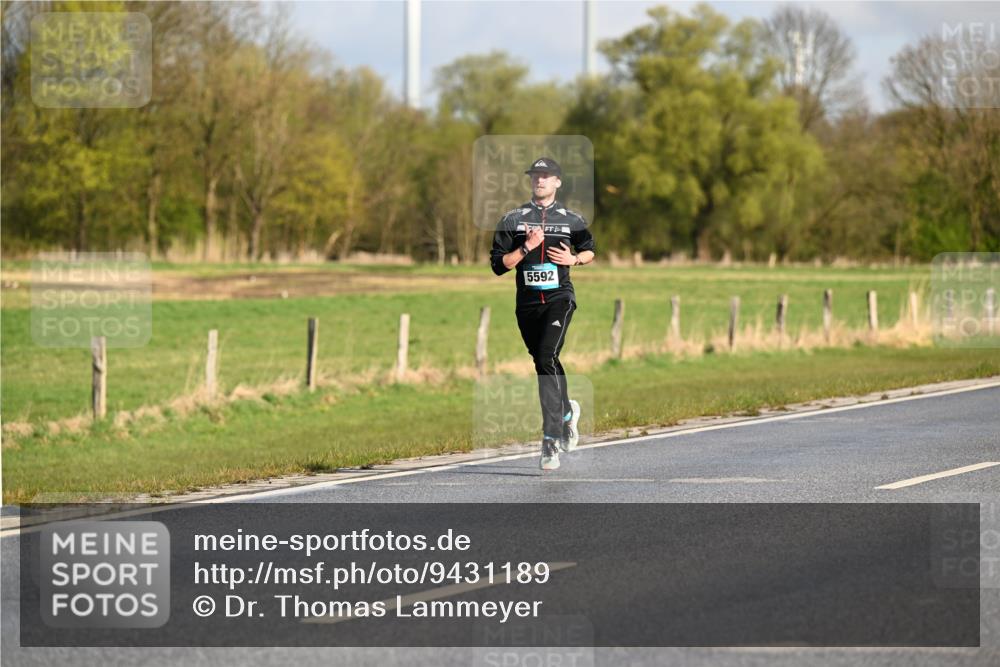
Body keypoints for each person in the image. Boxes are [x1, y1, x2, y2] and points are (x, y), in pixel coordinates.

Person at [490, 157, 596, 470]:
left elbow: (590, 249)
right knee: (543, 360)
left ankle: (550, 440)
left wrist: (575, 259)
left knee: (546, 356)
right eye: (536, 176)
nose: (540, 180)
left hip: (559, 299)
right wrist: (525, 248)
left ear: (557, 182)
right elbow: (498, 265)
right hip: (527, 305)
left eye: (546, 176)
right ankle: (566, 414)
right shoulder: (513, 219)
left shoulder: (571, 218)